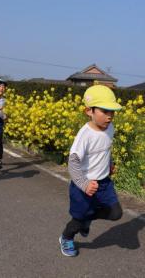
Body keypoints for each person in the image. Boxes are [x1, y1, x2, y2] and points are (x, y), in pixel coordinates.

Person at [59, 84, 123, 257]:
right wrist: (84, 184)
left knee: (116, 213)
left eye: (112, 112)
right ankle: (66, 237)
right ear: (89, 111)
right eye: (105, 111)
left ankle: (88, 218)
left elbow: (106, 148)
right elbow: (72, 162)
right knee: (78, 220)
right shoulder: (85, 134)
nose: (110, 117)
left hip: (104, 183)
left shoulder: (110, 128)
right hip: (84, 186)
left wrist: (110, 164)